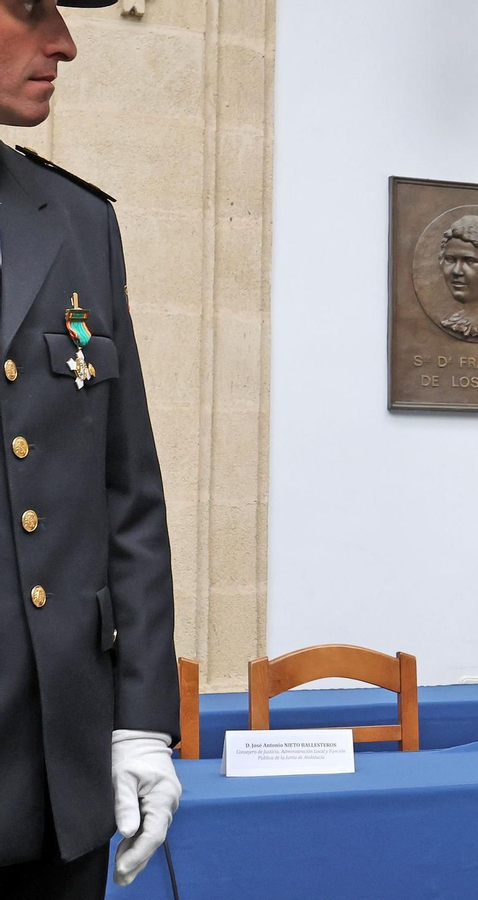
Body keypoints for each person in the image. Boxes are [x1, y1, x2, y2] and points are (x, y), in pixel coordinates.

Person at [0, 1, 181, 897]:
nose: (64, 41)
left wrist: (142, 720)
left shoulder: (74, 222)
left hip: (52, 780)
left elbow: (127, 494)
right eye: (29, 8)